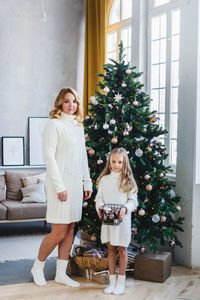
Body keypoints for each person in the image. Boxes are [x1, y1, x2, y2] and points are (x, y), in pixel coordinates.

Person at [31, 87, 92, 287]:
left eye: (74, 101)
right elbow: (49, 157)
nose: (71, 105)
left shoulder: (77, 126)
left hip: (75, 185)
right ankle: (37, 267)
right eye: (67, 101)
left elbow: (82, 157)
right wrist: (59, 186)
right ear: (60, 103)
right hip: (60, 185)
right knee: (58, 231)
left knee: (71, 228)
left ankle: (60, 273)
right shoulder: (54, 125)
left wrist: (87, 182)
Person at [96, 147, 138, 295]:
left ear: (124, 163)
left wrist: (125, 209)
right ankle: (112, 281)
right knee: (110, 249)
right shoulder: (104, 180)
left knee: (122, 249)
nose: (116, 165)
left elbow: (133, 201)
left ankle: (121, 282)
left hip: (123, 221)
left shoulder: (128, 181)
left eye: (119, 162)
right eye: (113, 161)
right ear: (109, 162)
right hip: (108, 221)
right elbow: (99, 198)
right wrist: (99, 208)